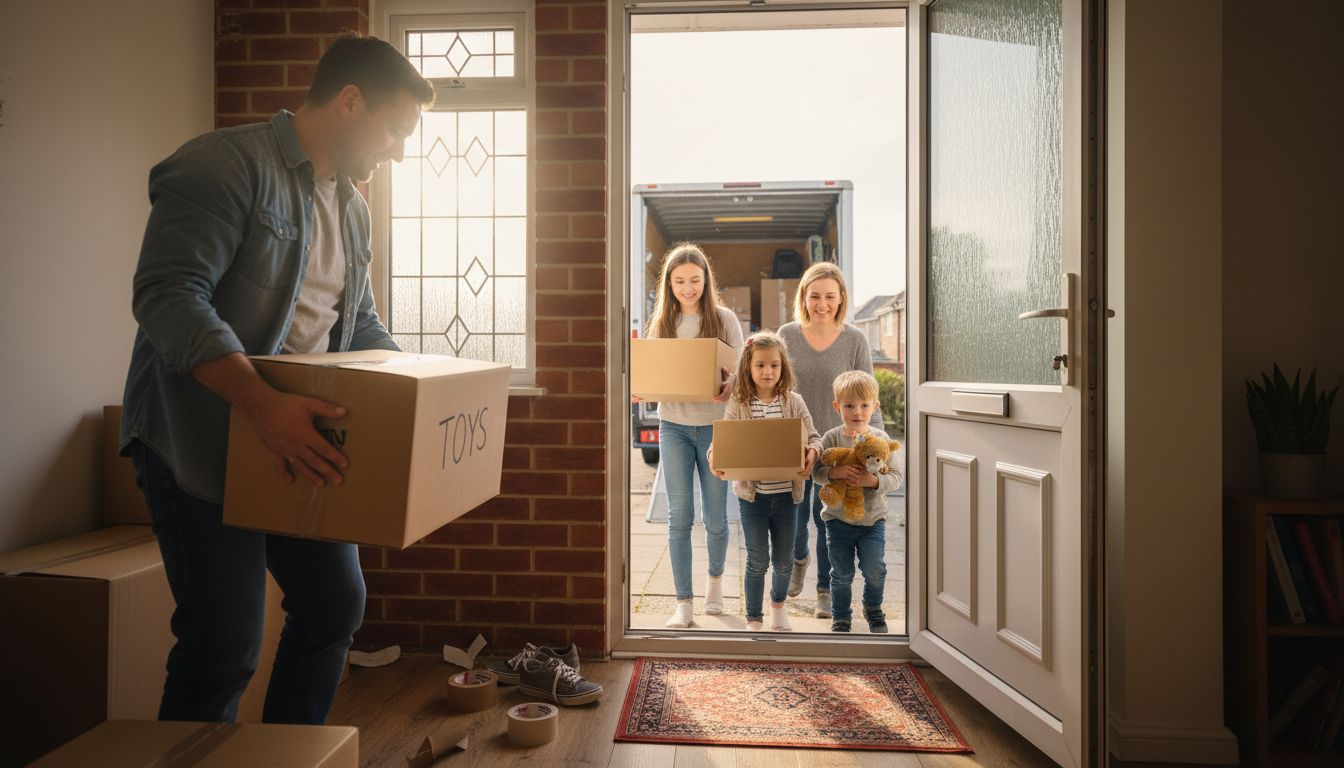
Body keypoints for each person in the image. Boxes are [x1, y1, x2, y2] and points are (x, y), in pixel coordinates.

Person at [119, 36, 434, 724]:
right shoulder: (225, 165)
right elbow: (168, 296)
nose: (399, 152)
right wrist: (264, 406)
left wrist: (424, 391)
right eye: (396, 131)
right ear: (349, 101)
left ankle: (289, 755)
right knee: (223, 646)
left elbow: (357, 324)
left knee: (334, 606)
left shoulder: (351, 208)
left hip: (295, 442)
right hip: (200, 444)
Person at [634, 242, 744, 628]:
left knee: (715, 517)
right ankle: (683, 602)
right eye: (679, 281)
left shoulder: (724, 319)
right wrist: (641, 387)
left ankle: (715, 585)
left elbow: (741, 372)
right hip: (674, 427)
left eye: (695, 280)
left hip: (715, 427)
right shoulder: (662, 323)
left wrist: (731, 384)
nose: (687, 288)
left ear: (706, 280)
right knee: (679, 516)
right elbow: (650, 373)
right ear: (669, 283)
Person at [777, 262, 882, 620]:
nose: (822, 304)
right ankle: (799, 559)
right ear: (803, 298)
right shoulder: (787, 335)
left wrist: (876, 445)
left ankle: (824, 589)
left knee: (827, 521)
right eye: (815, 296)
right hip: (794, 443)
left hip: (838, 447)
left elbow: (868, 394)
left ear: (841, 299)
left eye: (830, 297)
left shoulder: (855, 339)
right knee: (792, 518)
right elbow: (774, 385)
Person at [708, 331, 821, 632]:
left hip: (787, 497)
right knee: (757, 560)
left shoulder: (794, 402)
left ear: (783, 367)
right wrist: (714, 455)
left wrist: (813, 452)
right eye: (760, 365)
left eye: (774, 365)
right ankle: (754, 618)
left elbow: (814, 437)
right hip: (752, 498)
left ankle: (778, 608)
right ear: (748, 367)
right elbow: (723, 440)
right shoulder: (739, 403)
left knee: (784, 561)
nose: (768, 371)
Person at [812, 371, 903, 633]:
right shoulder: (832, 438)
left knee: (875, 569)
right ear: (837, 406)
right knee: (841, 573)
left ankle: (872, 608)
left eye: (864, 405)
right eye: (849, 405)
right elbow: (817, 473)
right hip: (837, 520)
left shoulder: (881, 440)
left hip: (873, 520)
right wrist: (837, 472)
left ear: (875, 407)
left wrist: (873, 481)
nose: (857, 412)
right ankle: (841, 615)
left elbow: (896, 477)